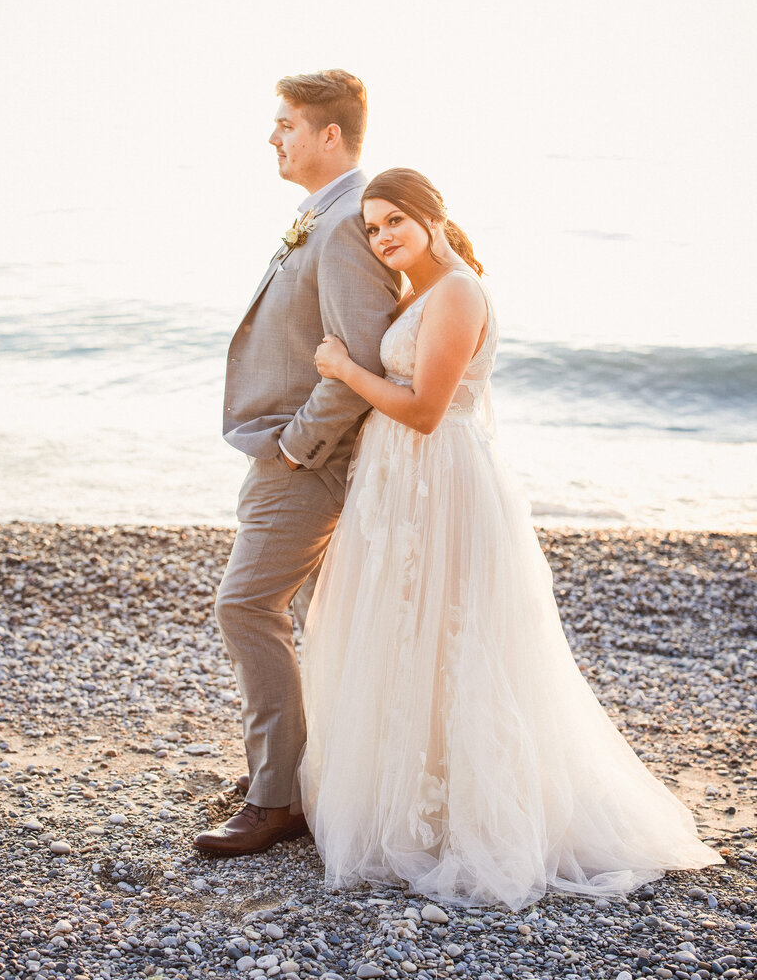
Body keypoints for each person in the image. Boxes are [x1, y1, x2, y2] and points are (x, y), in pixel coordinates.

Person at [300, 166, 721, 910]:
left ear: (433, 217)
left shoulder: (459, 291)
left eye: (395, 219)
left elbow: (427, 409)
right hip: (402, 483)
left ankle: (473, 816)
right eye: (371, 227)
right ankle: (414, 804)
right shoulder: (422, 291)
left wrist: (340, 368)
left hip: (442, 479)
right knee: (408, 639)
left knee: (455, 642)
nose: (383, 236)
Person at [194, 71, 399, 857]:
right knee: (317, 616)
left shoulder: (349, 219)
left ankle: (277, 800)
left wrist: (295, 446)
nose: (272, 137)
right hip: (286, 448)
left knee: (246, 607)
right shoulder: (323, 210)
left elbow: (362, 357)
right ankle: (300, 776)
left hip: (306, 459)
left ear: (329, 136)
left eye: (285, 124)